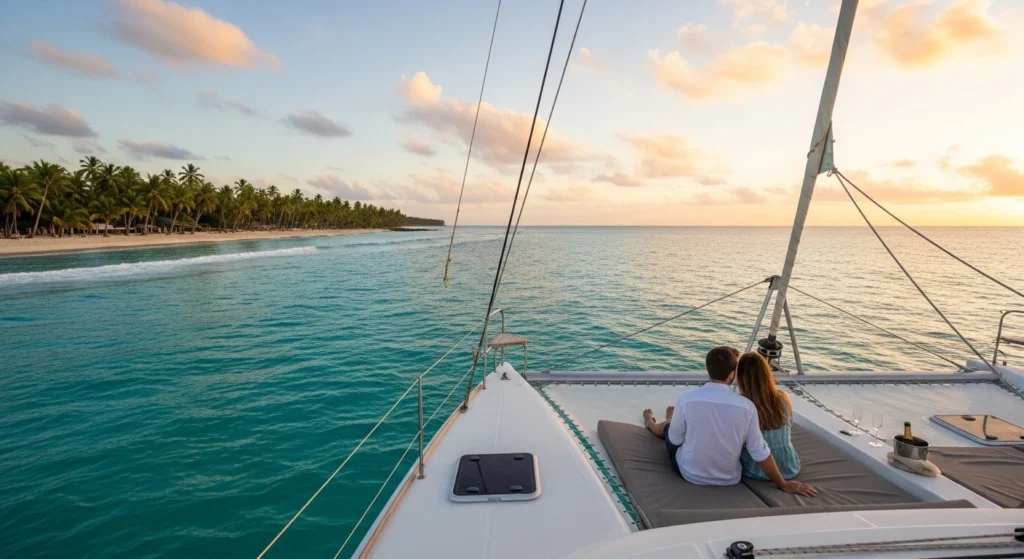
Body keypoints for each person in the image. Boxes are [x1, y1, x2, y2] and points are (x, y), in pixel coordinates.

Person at [643, 346, 816, 496]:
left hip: (690, 473)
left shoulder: (687, 398)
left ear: (708, 369)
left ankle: (656, 424)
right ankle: (669, 420)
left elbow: (675, 440)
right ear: (732, 375)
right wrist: (783, 484)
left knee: (671, 431)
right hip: (730, 478)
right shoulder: (748, 407)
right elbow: (759, 450)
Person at [735, 351, 802, 480]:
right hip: (788, 465)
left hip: (756, 468)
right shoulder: (782, 397)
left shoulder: (743, 404)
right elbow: (789, 423)